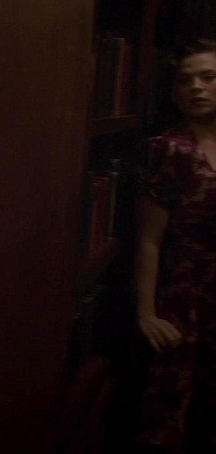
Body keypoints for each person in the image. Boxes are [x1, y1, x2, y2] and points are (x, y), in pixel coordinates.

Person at [133, 37, 216, 452]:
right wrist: (146, 313)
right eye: (186, 80)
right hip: (186, 298)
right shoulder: (170, 149)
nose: (197, 87)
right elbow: (149, 240)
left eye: (208, 77)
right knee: (171, 415)